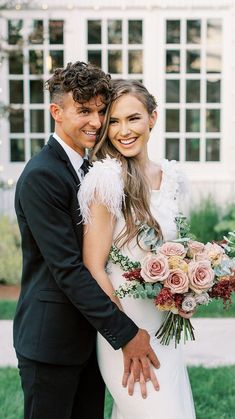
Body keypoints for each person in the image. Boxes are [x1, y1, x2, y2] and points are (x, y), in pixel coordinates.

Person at [13, 62, 160, 419]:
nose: (95, 122)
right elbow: (68, 269)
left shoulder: (93, 167)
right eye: (83, 111)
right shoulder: (42, 176)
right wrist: (126, 332)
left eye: (100, 111)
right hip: (52, 343)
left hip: (91, 341)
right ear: (56, 112)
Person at [78, 79, 196, 418]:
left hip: (165, 331)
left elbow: (177, 251)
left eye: (133, 118)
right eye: (113, 121)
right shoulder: (106, 180)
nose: (123, 130)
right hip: (125, 331)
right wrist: (126, 335)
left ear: (152, 119)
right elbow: (94, 266)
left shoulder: (170, 177)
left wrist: (185, 294)